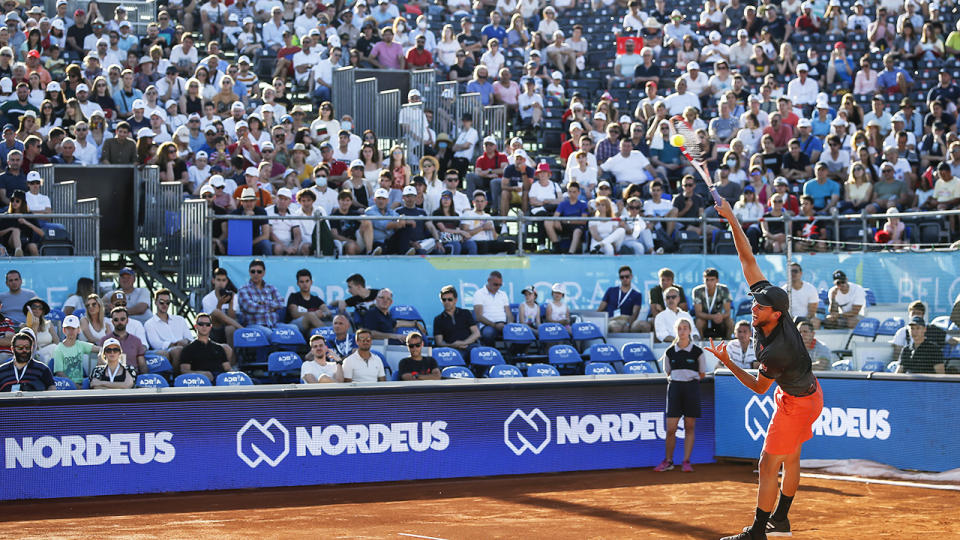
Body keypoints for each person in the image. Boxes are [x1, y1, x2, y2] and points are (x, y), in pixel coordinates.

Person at [707, 197, 823, 540]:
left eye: (761, 306)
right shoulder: (774, 308)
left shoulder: (778, 349)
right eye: (756, 302)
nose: (754, 307)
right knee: (791, 458)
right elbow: (747, 258)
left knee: (767, 464)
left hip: (797, 403)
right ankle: (782, 521)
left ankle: (758, 529)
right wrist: (731, 218)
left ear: (776, 313)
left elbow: (760, 387)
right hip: (809, 395)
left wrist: (728, 363)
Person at [654, 318, 706, 473]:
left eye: (685, 328)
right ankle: (668, 461)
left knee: (689, 426)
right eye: (680, 328)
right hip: (675, 389)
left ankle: (686, 461)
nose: (682, 331)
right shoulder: (669, 352)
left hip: (692, 389)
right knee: (671, 429)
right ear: (676, 331)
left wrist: (688, 380)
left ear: (690, 331)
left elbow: (702, 373)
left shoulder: (698, 352)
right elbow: (668, 373)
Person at [144, 288, 193, 370]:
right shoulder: (149, 323)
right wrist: (175, 344)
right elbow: (155, 344)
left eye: (167, 303)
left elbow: (189, 338)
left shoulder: (180, 319)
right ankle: (175, 378)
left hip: (183, 348)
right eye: (161, 302)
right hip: (167, 351)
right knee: (177, 350)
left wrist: (185, 341)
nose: (164, 305)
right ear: (155, 302)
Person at [179, 313, 233, 381]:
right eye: (201, 324)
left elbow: (227, 368)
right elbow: (184, 371)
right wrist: (201, 375)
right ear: (196, 326)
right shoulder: (188, 349)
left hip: (220, 382)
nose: (204, 326)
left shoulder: (219, 348)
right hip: (200, 383)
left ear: (210, 327)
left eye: (207, 324)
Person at [597, 265, 649, 334]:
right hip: (611, 320)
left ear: (631, 277)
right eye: (622, 277)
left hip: (626, 319)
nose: (624, 279)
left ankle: (642, 344)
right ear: (619, 278)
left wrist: (628, 324)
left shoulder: (637, 294)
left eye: (627, 276)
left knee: (645, 325)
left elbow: (635, 314)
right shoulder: (611, 290)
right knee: (615, 326)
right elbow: (600, 309)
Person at [433, 284, 481, 357]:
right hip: (451, 350)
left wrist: (463, 343)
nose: (447, 302)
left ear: (455, 300)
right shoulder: (438, 319)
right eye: (444, 300)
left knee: (480, 354)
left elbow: (476, 333)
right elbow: (439, 342)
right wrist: (453, 345)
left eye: (450, 299)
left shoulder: (466, 313)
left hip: (470, 347)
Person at [52, 314, 99, 385]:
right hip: (66, 384)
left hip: (81, 382)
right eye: (68, 328)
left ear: (78, 330)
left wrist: (103, 353)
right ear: (64, 330)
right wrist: (74, 385)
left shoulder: (80, 345)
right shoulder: (58, 349)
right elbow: (59, 373)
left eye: (73, 328)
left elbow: (99, 349)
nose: (71, 331)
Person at [237, 259, 285, 328]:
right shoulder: (243, 289)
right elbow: (251, 307)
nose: (256, 274)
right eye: (253, 271)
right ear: (249, 272)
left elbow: (281, 303)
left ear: (264, 273)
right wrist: (272, 307)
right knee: (270, 333)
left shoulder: (271, 288)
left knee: (294, 328)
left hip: (274, 324)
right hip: (255, 326)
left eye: (259, 272)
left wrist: (263, 303)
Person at [200, 268, 242, 347]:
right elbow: (212, 319)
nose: (221, 283)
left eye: (223, 280)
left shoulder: (233, 296)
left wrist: (231, 302)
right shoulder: (207, 299)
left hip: (229, 326)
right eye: (218, 280)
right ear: (213, 281)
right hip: (214, 329)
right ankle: (242, 329)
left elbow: (232, 317)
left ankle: (232, 357)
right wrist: (220, 304)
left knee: (230, 329)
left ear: (226, 282)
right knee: (216, 312)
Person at [102, 307, 148, 375]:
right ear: (112, 322)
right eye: (116, 320)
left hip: (133, 376)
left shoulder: (136, 341)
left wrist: (145, 378)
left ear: (127, 320)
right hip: (111, 377)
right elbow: (101, 363)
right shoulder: (105, 340)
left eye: (122, 319)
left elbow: (142, 364)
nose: (119, 322)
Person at [287, 269, 332, 336]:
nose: (305, 284)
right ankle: (331, 336)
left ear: (311, 282)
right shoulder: (293, 296)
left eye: (307, 281)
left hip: (310, 326)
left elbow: (328, 312)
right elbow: (295, 314)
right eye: (302, 282)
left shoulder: (316, 299)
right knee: (310, 316)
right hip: (296, 325)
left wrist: (323, 314)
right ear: (298, 284)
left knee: (313, 330)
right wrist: (314, 314)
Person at [692, 268, 734, 339]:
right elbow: (698, 313)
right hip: (704, 319)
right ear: (703, 280)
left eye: (712, 280)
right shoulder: (697, 291)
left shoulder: (724, 290)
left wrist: (721, 316)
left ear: (717, 280)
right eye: (707, 280)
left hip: (719, 319)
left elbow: (728, 312)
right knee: (699, 322)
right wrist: (713, 317)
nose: (709, 282)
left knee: (730, 322)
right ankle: (700, 345)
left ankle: (728, 345)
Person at [473, 271, 512, 346]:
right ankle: (492, 355)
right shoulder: (479, 294)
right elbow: (479, 317)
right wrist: (495, 325)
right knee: (488, 334)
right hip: (487, 325)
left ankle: (514, 355)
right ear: (488, 281)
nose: (498, 287)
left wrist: (509, 325)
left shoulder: (503, 294)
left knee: (518, 332)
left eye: (500, 285)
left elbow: (509, 314)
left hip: (503, 324)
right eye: (495, 284)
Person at [782, 262, 820, 329]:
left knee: (815, 322)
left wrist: (802, 322)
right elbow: (783, 311)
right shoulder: (783, 290)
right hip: (789, 320)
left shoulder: (810, 289)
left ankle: (811, 338)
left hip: (807, 320)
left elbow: (812, 311)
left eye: (795, 271)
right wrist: (793, 320)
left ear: (801, 273)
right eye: (790, 271)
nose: (792, 273)